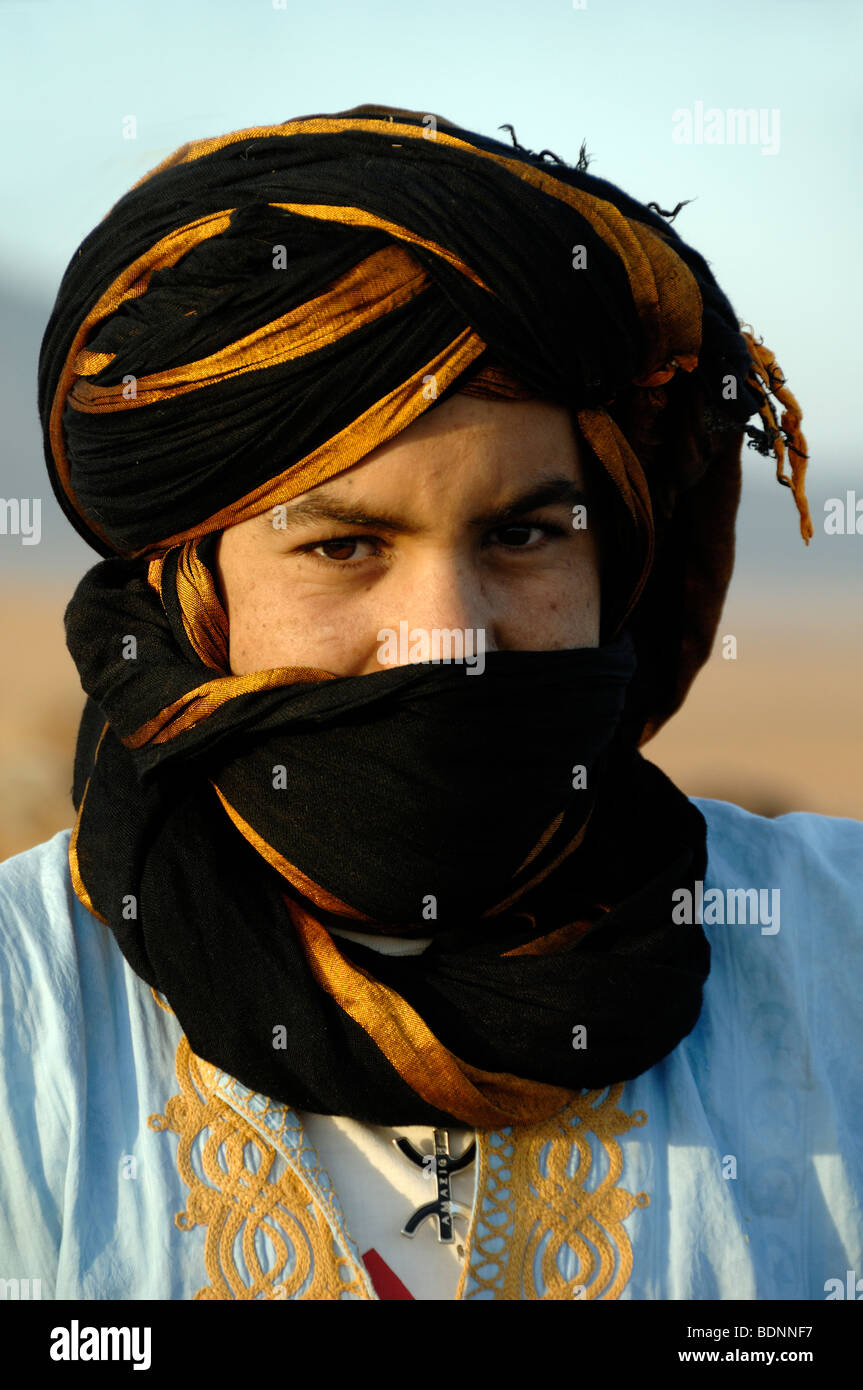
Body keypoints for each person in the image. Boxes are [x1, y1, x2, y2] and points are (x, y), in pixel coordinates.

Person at [1, 102, 860, 1303]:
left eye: (520, 534)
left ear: (613, 564)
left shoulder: (833, 958)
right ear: (197, 599)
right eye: (346, 545)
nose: (447, 636)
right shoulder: (22, 1010)